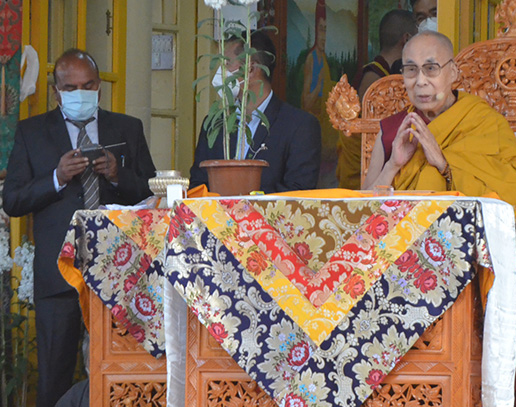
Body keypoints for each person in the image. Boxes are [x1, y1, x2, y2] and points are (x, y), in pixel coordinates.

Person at [3, 49, 156, 407]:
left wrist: (118, 175)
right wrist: (56, 178)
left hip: (121, 275)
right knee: (55, 377)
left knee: (122, 373)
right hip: (59, 276)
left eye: (88, 85)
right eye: (71, 88)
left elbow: (151, 191)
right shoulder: (32, 132)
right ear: (57, 92)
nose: (80, 93)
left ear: (99, 86)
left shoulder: (127, 128)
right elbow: (12, 201)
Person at [363, 31, 516, 209]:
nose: (420, 81)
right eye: (411, 70)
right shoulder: (393, 130)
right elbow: (361, 208)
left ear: (453, 72)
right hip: (402, 238)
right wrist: (392, 166)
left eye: (431, 69)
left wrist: (444, 165)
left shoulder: (482, 120)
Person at [190, 30, 321, 193]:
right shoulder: (215, 125)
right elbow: (197, 187)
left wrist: (244, 202)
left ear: (250, 70)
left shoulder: (300, 126)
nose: (220, 74)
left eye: (226, 65)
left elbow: (298, 193)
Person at [338, 10, 417, 189]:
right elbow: (375, 132)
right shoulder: (374, 79)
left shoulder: (385, 73)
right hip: (371, 167)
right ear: (406, 39)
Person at [301, 0, 338, 188]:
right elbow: (306, 102)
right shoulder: (312, 59)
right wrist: (320, 84)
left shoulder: (323, 59)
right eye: (321, 30)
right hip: (314, 134)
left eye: (326, 30)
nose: (323, 35)